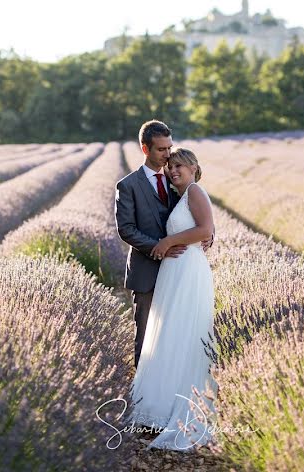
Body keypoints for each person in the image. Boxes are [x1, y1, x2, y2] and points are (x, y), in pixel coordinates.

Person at [125, 147, 218, 451]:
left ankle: (180, 410)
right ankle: (162, 408)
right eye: (170, 166)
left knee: (184, 333)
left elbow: (205, 229)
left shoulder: (194, 191)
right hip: (173, 272)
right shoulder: (181, 196)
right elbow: (199, 230)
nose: (173, 170)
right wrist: (172, 242)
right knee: (169, 335)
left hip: (188, 272)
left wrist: (168, 241)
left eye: (180, 165)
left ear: (193, 167)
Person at [115, 120, 213, 368]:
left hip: (179, 272)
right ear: (145, 149)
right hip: (147, 270)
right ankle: (140, 394)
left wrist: (209, 233)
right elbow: (126, 229)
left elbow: (196, 214)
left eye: (170, 148)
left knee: (175, 334)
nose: (168, 155)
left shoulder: (176, 180)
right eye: (161, 150)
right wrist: (161, 247)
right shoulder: (127, 185)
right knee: (147, 335)